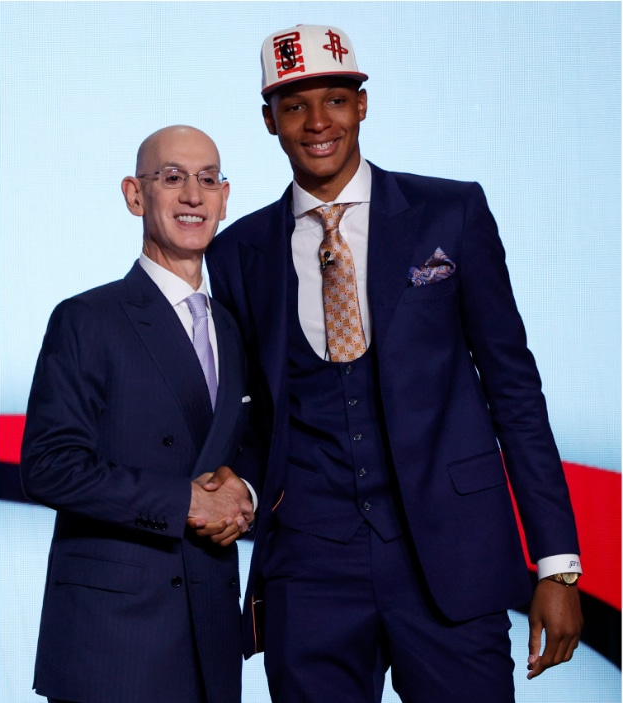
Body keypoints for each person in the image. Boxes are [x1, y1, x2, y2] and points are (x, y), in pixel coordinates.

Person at [205, 25, 583, 702]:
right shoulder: (237, 253)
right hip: (309, 573)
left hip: (450, 558)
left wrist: (556, 565)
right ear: (270, 121)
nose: (318, 123)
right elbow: (256, 416)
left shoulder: (451, 213)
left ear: (362, 105)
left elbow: (514, 390)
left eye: (335, 100)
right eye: (294, 107)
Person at [20, 126, 256, 703]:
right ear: (134, 195)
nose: (193, 196)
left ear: (225, 197)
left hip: (212, 633)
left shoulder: (238, 325)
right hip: (112, 641)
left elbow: (257, 444)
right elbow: (49, 466)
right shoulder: (86, 318)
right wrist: (187, 502)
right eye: (172, 178)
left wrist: (246, 490)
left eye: (207, 180)